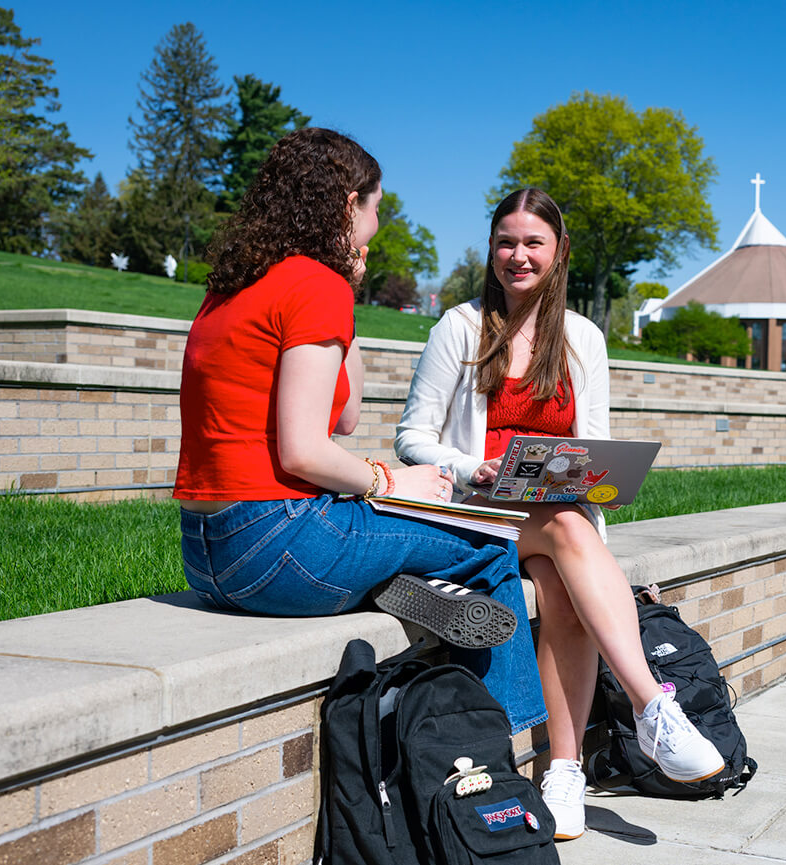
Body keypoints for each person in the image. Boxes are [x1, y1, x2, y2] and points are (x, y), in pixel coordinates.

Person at [172, 128, 544, 735]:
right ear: (350, 204)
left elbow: (341, 418)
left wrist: (347, 295)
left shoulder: (234, 287)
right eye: (375, 207)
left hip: (208, 555)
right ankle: (509, 746)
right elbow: (305, 450)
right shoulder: (312, 285)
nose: (378, 223)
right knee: (488, 544)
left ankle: (389, 582)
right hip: (278, 547)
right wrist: (390, 480)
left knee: (400, 534)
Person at [396, 188, 724, 840]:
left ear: (558, 250)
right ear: (491, 249)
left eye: (532, 242)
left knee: (564, 586)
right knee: (570, 532)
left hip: (546, 511)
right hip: (474, 510)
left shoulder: (583, 338)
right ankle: (652, 705)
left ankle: (564, 771)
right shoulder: (458, 328)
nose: (517, 256)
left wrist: (590, 477)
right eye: (506, 242)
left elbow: (590, 444)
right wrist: (472, 467)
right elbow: (412, 437)